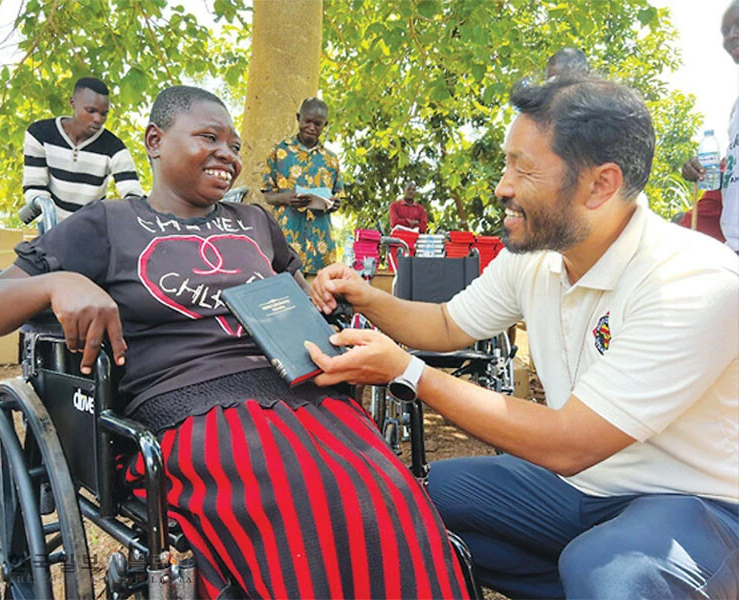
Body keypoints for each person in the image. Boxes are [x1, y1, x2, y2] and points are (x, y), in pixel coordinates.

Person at [0, 85, 467, 599]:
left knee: (387, 490)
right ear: (154, 141)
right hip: (191, 410)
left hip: (303, 394)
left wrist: (323, 294)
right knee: (301, 493)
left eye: (236, 145)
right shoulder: (108, 223)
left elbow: (298, 297)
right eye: (209, 137)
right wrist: (56, 282)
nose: (228, 153)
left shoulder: (254, 222)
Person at [307, 75, 738, 599]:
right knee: (409, 499)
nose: (502, 186)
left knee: (611, 572)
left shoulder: (692, 280)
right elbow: (446, 324)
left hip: (695, 503)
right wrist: (364, 295)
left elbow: (570, 443)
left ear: (600, 184)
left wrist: (407, 373)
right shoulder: (535, 258)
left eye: (524, 168)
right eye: (507, 163)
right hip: (578, 489)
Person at [23, 76, 143, 221]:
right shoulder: (40, 134)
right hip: (52, 228)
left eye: (103, 114)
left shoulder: (113, 147)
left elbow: (133, 194)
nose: (98, 119)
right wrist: (48, 219)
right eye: (91, 111)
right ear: (73, 103)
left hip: (91, 228)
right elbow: (35, 188)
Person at [261, 98, 344, 274]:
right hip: (287, 241)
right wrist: (286, 198)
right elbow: (267, 195)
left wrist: (334, 204)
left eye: (318, 124)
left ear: (325, 125)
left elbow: (338, 196)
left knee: (319, 296)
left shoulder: (331, 159)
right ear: (299, 118)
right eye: (307, 121)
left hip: (320, 247)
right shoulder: (278, 152)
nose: (312, 127)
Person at [680, 0, 738, 252]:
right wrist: (708, 172)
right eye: (726, 31)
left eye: (738, 26)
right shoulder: (736, 107)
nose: (732, 36)